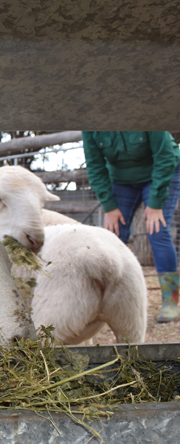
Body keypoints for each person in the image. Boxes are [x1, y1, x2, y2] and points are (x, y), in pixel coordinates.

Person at [82, 131, 180, 323]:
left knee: (157, 230)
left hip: (160, 171)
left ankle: (172, 301)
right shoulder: (91, 126)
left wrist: (156, 202)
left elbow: (165, 156)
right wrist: (109, 207)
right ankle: (108, 301)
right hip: (121, 180)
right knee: (114, 234)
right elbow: (94, 165)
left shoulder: (143, 113)